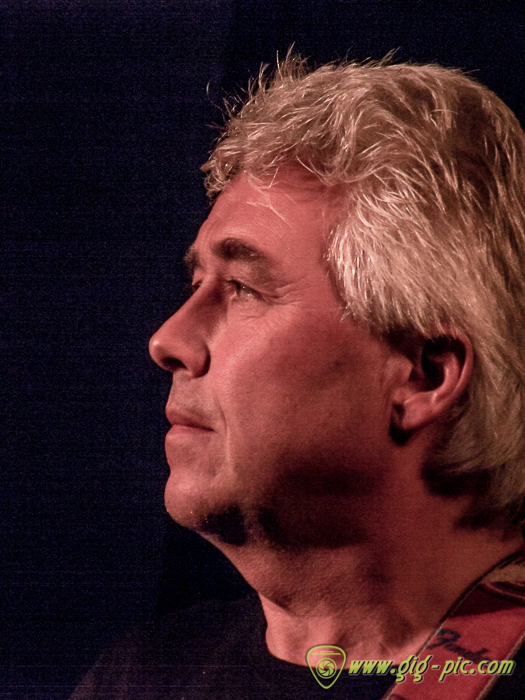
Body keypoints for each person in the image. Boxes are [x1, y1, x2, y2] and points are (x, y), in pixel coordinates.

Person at [71, 57, 525, 699]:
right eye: (196, 283)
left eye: (242, 287)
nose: (167, 341)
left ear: (424, 377)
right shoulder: (139, 678)